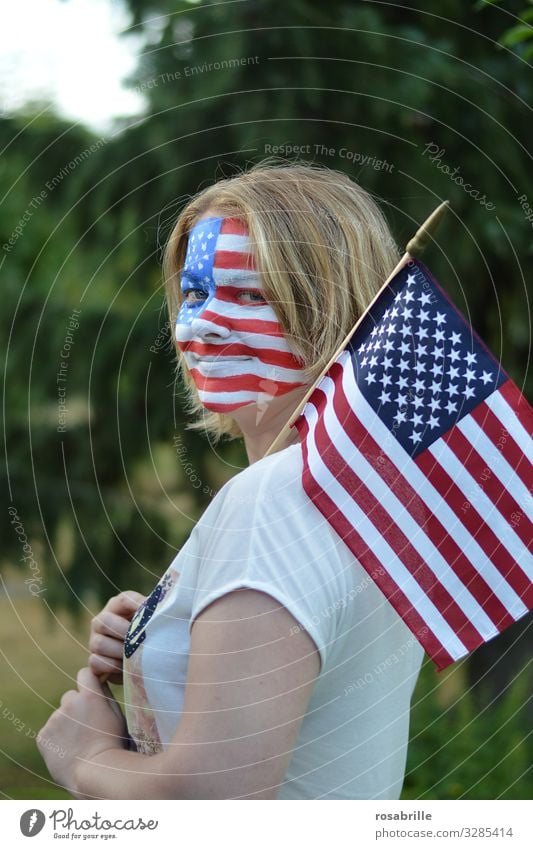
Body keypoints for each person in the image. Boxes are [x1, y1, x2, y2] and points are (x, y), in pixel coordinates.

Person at [38, 162, 424, 800]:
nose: (204, 322)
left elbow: (218, 801)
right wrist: (158, 637)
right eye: (194, 293)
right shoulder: (365, 492)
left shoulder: (275, 497)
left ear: (337, 308)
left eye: (249, 294)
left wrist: (84, 756)